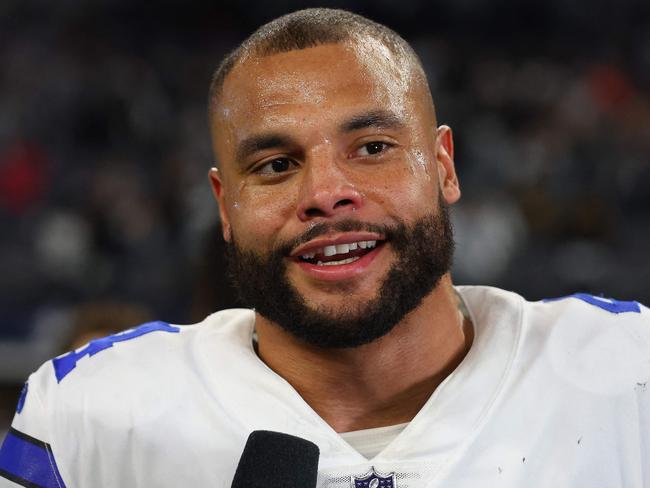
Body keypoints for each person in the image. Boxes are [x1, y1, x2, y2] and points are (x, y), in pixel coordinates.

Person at [1, 8, 648, 488]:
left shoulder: (629, 377)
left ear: (444, 167)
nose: (327, 193)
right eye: (277, 165)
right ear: (225, 207)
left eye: (372, 148)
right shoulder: (94, 419)